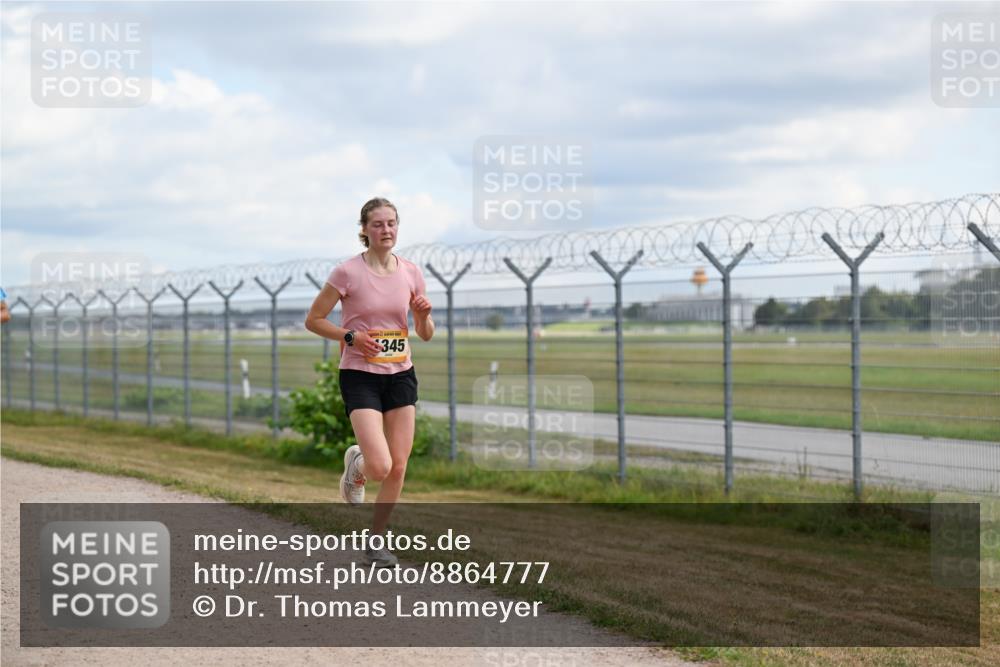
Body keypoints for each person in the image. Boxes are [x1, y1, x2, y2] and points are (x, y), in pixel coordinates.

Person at [304, 197, 434, 567]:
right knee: (379, 467)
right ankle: (359, 462)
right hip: (360, 374)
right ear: (364, 229)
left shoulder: (410, 272)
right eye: (377, 224)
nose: (386, 230)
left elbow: (424, 333)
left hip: (400, 374)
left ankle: (376, 542)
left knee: (399, 466)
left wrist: (423, 316)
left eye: (391, 223)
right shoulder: (347, 272)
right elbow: (314, 320)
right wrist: (350, 337)